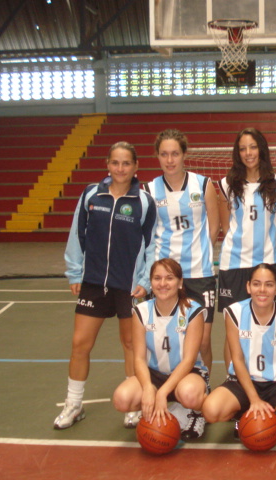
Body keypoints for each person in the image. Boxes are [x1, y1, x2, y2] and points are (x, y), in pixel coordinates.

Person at [55, 141, 157, 430]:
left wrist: (145, 281)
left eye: (126, 163)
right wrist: (75, 273)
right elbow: (77, 235)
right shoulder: (91, 195)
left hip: (129, 286)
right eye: (115, 162)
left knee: (131, 345)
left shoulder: (144, 201)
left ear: (136, 167)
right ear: (107, 164)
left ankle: (134, 405)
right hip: (94, 282)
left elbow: (152, 245)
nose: (120, 168)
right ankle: (73, 404)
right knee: (79, 344)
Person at [142, 129, 220, 439]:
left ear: (184, 154)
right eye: (164, 154)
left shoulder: (203, 185)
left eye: (175, 153)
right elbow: (149, 234)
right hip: (165, 278)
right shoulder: (150, 190)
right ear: (157, 156)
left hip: (199, 274)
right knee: (168, 339)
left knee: (201, 342)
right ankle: (170, 393)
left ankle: (199, 397)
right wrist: (158, 275)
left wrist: (200, 256)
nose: (170, 159)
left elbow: (214, 226)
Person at [201, 263, 276, 438]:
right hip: (243, 380)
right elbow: (236, 358)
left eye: (269, 284)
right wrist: (254, 399)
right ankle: (242, 413)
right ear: (248, 287)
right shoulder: (234, 312)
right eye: (257, 283)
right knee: (211, 411)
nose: (262, 290)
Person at [112, 258, 209, 431]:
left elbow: (188, 360)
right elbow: (139, 359)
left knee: (190, 395)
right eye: (157, 278)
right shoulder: (141, 312)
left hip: (187, 374)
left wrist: (162, 392)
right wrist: (149, 387)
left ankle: (195, 412)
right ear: (151, 283)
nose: (162, 283)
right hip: (154, 373)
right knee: (122, 399)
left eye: (169, 278)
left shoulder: (193, 311)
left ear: (180, 283)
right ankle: (167, 409)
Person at [217, 127, 276, 313]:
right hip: (234, 263)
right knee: (233, 324)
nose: (248, 153)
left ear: (262, 149)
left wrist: (266, 248)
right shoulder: (226, 184)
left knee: (266, 322)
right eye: (242, 149)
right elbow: (226, 228)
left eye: (253, 147)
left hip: (266, 261)